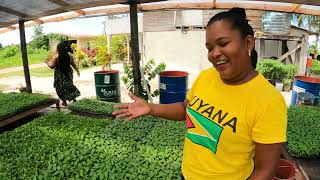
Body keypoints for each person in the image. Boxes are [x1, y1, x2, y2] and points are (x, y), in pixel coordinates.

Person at [113, 8, 287, 180]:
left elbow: (265, 170)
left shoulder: (268, 100)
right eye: (210, 48)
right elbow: (185, 108)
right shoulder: (207, 77)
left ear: (248, 43)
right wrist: (151, 108)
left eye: (223, 43)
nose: (215, 53)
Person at [45, 42, 80, 106]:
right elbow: (73, 64)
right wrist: (77, 71)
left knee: (60, 88)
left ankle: (64, 102)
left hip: (60, 75)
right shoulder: (70, 56)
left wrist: (47, 62)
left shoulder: (56, 57)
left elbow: (52, 66)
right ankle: (73, 98)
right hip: (68, 73)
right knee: (69, 85)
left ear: (58, 49)